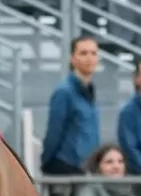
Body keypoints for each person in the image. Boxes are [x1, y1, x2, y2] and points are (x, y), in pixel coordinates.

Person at [41, 35, 100, 175]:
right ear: (72, 58)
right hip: (66, 167)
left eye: (93, 53)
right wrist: (47, 162)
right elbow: (54, 131)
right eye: (83, 53)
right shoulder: (64, 92)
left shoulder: (90, 91)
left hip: (85, 168)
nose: (89, 58)